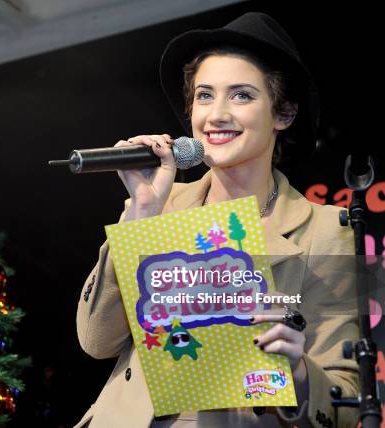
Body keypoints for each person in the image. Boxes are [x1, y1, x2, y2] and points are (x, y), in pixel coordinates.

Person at [74, 12, 360, 428]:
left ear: (283, 114)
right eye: (204, 96)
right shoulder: (160, 205)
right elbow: (97, 341)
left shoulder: (325, 230)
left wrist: (296, 370)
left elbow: (344, 403)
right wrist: (140, 220)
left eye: (241, 95)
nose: (216, 115)